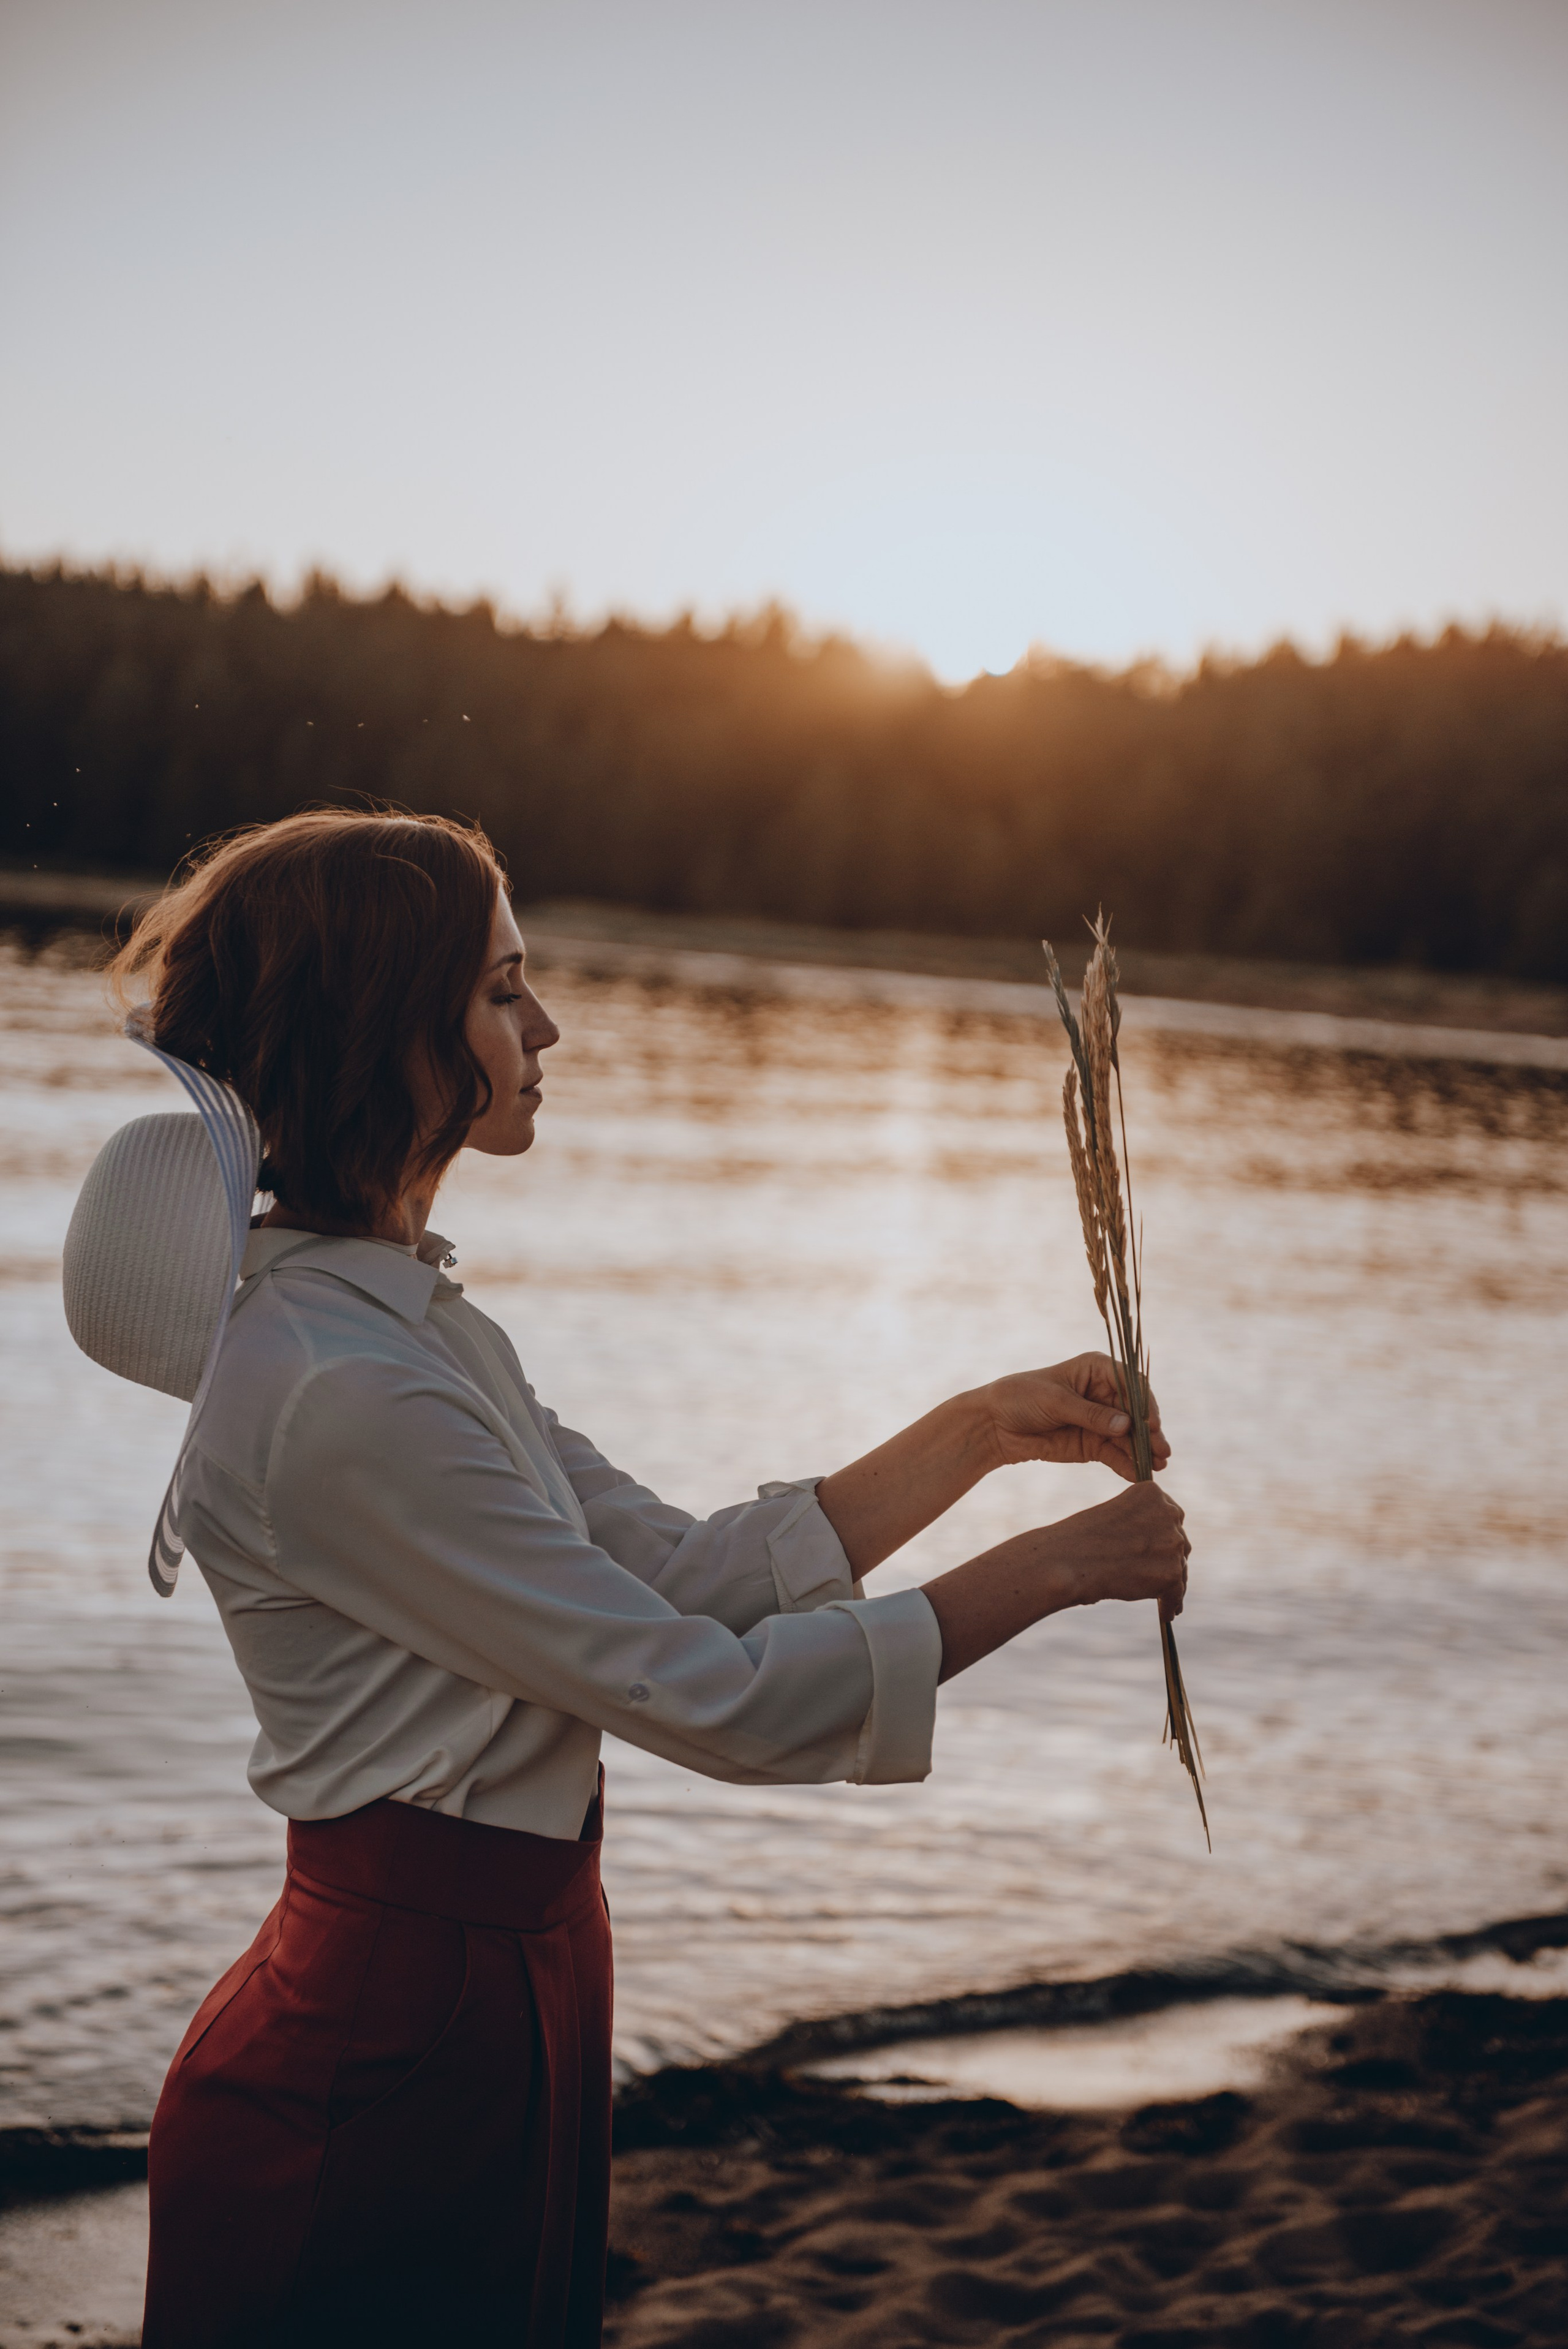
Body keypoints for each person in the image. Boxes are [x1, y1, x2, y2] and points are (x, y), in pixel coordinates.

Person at [92, 809, 1188, 2348]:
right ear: (386, 1034)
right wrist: (1057, 1571)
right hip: (377, 2050)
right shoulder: (337, 1387)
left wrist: (983, 1429)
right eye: (499, 991)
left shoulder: (409, 1324)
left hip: (506, 1990)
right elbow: (708, 1694)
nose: (547, 1027)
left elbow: (679, 1574)